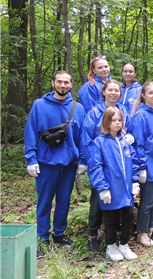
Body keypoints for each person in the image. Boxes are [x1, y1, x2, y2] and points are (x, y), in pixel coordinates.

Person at [23, 70, 86, 257]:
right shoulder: (40, 105)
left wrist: (83, 159)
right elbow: (31, 132)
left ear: (71, 85)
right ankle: (42, 237)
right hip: (46, 163)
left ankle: (59, 233)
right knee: (44, 202)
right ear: (53, 83)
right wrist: (31, 158)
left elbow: (82, 137)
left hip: (69, 164)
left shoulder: (78, 108)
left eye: (67, 82)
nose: (63, 85)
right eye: (60, 82)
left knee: (64, 201)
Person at [80, 79, 133, 252]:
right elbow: (86, 138)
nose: (113, 93)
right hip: (102, 165)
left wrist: (131, 138)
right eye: (110, 90)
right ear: (103, 92)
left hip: (121, 165)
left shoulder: (123, 110)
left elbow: (127, 131)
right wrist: (87, 161)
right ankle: (93, 234)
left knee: (123, 203)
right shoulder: (95, 112)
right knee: (98, 199)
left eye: (116, 90)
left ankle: (119, 238)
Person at [88, 107, 139, 261]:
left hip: (126, 187)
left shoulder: (126, 141)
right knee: (111, 217)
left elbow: (134, 161)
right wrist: (102, 188)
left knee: (128, 215)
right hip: (111, 187)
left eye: (119, 120)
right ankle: (111, 245)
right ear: (106, 122)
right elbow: (95, 166)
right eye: (113, 120)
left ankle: (124, 244)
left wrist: (135, 181)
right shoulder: (99, 142)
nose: (117, 123)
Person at [129, 81, 153, 247]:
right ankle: (142, 232)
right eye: (151, 93)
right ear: (143, 95)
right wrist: (141, 167)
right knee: (147, 201)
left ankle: (152, 228)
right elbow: (138, 143)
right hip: (149, 165)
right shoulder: (141, 115)